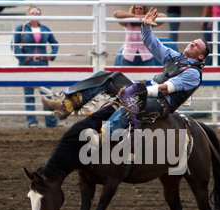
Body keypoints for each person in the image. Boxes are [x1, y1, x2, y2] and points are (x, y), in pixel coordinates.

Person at [42, 7, 209, 137]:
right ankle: (67, 105)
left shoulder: (193, 73)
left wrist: (139, 90)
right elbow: (153, 45)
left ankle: (103, 137)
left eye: (196, 45)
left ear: (201, 56)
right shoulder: (176, 56)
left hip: (161, 103)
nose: (192, 44)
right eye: (192, 42)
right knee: (108, 77)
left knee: (132, 101)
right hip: (148, 92)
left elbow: (166, 88)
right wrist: (145, 26)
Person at [12, 6, 60, 128]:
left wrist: (52, 55)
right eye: (33, 12)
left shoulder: (45, 29)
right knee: (29, 93)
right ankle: (32, 121)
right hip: (27, 64)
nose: (35, 14)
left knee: (47, 93)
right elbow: (14, 44)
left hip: (43, 63)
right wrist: (23, 57)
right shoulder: (21, 28)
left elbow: (55, 43)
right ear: (27, 14)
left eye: (38, 12)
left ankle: (51, 121)